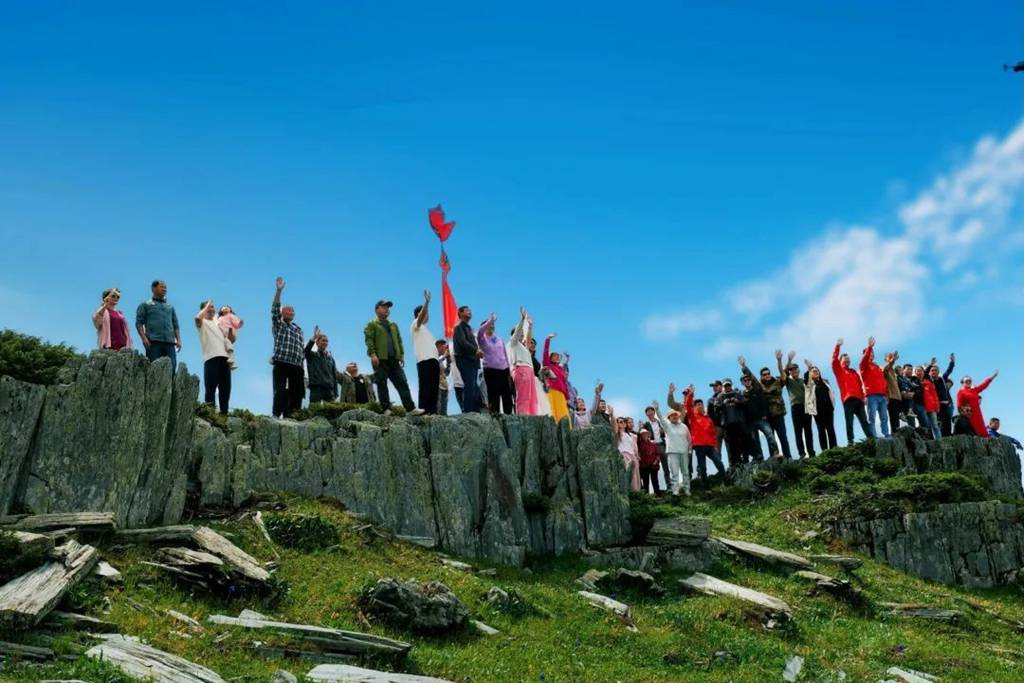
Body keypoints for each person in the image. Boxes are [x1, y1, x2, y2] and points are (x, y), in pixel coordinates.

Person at [364, 299, 422, 415]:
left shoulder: (393, 325)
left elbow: (399, 341)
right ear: (377, 309)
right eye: (384, 306)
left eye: (388, 307)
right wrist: (373, 354)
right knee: (382, 384)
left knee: (402, 383)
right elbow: (369, 340)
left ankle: (410, 408)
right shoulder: (372, 324)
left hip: (394, 359)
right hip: (380, 359)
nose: (387, 309)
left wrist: (401, 355)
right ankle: (386, 409)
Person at [271, 277, 305, 418]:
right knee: (280, 390)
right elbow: (274, 309)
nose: (292, 313)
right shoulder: (279, 324)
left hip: (297, 366)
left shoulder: (298, 329)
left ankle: (293, 415)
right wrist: (279, 291)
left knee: (296, 393)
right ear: (283, 312)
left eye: (293, 311)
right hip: (282, 363)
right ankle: (276, 414)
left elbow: (301, 350)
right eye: (289, 311)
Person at [681, 384, 726, 482]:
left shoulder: (708, 418)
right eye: (697, 405)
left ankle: (725, 480)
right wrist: (691, 394)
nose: (700, 406)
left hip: (710, 445)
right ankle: (705, 486)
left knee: (718, 461)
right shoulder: (692, 417)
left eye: (701, 404)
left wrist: (714, 444)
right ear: (695, 407)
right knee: (702, 466)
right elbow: (688, 405)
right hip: (699, 446)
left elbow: (713, 433)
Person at [832, 338, 873, 444]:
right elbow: (834, 359)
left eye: (848, 359)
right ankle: (850, 440)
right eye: (845, 359)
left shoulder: (854, 372)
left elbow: (860, 385)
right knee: (849, 421)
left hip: (859, 400)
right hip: (848, 399)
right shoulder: (839, 371)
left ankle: (871, 438)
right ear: (841, 361)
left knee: (864, 421)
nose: (847, 361)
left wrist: (863, 397)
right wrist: (838, 346)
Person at [194, 300, 232, 414]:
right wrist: (206, 306)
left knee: (226, 389)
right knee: (210, 389)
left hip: (225, 358)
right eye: (208, 308)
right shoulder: (202, 323)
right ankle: (210, 415)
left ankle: (224, 414)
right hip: (211, 359)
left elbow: (232, 339)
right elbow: (197, 318)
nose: (211, 309)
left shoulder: (218, 322)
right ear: (203, 310)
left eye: (213, 307)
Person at [136, 279, 181, 371]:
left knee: (171, 368)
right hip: (153, 343)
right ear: (153, 289)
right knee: (154, 369)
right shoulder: (145, 305)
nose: (164, 289)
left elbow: (175, 324)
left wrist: (178, 340)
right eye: (162, 287)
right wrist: (144, 338)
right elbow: (139, 323)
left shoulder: (170, 307)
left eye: (165, 288)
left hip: (170, 343)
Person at [739, 357, 779, 460]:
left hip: (762, 419)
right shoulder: (741, 395)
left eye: (748, 380)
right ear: (742, 383)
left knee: (770, 435)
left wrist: (744, 367)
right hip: (750, 422)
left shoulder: (757, 389)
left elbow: (753, 377)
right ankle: (760, 458)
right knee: (755, 441)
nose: (747, 381)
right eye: (745, 380)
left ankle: (775, 454)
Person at [777, 351, 813, 458]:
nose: (793, 371)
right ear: (790, 372)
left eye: (795, 369)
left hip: (806, 407)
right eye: (791, 370)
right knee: (798, 432)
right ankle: (802, 454)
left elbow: (811, 385)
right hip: (795, 407)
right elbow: (781, 372)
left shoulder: (803, 380)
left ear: (798, 370)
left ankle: (811, 453)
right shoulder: (788, 381)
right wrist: (782, 360)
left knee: (808, 431)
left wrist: (809, 368)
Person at [410, 291, 441, 415]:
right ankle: (423, 410)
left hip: (433, 361)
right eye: (425, 313)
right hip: (424, 360)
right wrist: (427, 302)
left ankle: (432, 412)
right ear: (420, 314)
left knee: (434, 388)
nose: (428, 315)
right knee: (426, 387)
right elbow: (420, 318)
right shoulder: (415, 325)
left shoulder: (427, 330)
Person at [478, 313, 513, 415]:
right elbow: (480, 331)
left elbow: (505, 354)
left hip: (503, 370)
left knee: (507, 395)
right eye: (489, 325)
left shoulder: (499, 339)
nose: (492, 326)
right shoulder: (482, 338)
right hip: (490, 370)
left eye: (493, 325)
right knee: (494, 395)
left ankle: (508, 416)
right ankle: (495, 416)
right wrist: (490, 321)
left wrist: (508, 370)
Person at [758, 358, 792, 459]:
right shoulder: (759, 387)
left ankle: (788, 457)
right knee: (771, 439)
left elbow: (784, 373)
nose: (767, 375)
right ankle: (774, 458)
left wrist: (780, 360)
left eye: (768, 373)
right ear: (761, 376)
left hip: (778, 414)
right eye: (764, 374)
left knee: (783, 437)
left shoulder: (777, 382)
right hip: (767, 417)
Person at [452, 306, 484, 413]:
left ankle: (475, 410)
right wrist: (476, 351)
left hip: (473, 361)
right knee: (469, 384)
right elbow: (462, 342)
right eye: (467, 310)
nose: (470, 312)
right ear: (460, 313)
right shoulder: (458, 327)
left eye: (470, 310)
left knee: (474, 385)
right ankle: (468, 411)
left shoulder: (470, 329)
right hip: (464, 359)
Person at [507, 308, 536, 416]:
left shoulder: (524, 346)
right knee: (522, 396)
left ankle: (529, 415)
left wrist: (530, 326)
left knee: (530, 396)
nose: (521, 333)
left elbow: (528, 338)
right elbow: (518, 332)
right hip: (520, 369)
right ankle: (522, 416)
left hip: (529, 371)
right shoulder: (513, 343)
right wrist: (522, 320)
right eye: (519, 332)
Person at [859, 337, 890, 438]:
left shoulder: (877, 367)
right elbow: (864, 359)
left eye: (872, 353)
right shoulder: (863, 366)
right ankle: (873, 436)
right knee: (872, 417)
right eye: (869, 353)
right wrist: (869, 347)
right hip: (871, 395)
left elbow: (883, 381)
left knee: (884, 417)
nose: (871, 354)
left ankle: (886, 434)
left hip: (882, 396)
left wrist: (886, 394)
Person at [304, 327, 343, 404]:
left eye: (327, 341)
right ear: (317, 343)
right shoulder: (312, 356)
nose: (325, 343)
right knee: (314, 411)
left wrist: (335, 392)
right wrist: (314, 338)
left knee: (331, 414)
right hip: (316, 389)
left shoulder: (331, 359)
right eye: (323, 341)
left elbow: (334, 376)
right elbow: (306, 351)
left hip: (329, 391)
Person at [804, 362, 838, 450]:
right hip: (817, 411)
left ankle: (834, 449)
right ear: (810, 374)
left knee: (830, 429)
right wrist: (809, 369)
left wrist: (832, 405)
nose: (815, 372)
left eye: (817, 371)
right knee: (821, 430)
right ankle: (825, 450)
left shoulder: (825, 381)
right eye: (813, 371)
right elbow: (806, 378)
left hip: (828, 409)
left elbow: (831, 392)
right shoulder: (809, 384)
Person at [956, 371, 998, 438]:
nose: (968, 382)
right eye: (966, 381)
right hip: (970, 414)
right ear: (962, 383)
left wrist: (992, 377)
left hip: (978, 413)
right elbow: (959, 406)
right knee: (973, 430)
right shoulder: (961, 392)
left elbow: (983, 385)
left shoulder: (974, 390)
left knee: (981, 429)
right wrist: (964, 415)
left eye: (970, 381)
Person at [662, 406, 693, 496]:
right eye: (672, 415)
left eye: (676, 414)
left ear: (678, 416)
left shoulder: (684, 426)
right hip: (673, 452)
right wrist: (657, 410)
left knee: (686, 472)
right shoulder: (667, 426)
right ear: (669, 417)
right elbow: (661, 420)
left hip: (684, 452)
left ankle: (687, 489)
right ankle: (675, 491)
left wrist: (690, 450)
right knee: (674, 473)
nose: (674, 416)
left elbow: (689, 439)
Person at [542, 333, 572, 427]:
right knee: (553, 412)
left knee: (564, 415)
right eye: (555, 355)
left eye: (558, 356)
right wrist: (548, 340)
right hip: (552, 391)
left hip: (562, 394)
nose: (557, 357)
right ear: (551, 357)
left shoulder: (561, 369)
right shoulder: (548, 365)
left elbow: (564, 383)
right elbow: (545, 353)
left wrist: (567, 397)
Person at [641, 403, 669, 489]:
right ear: (646, 414)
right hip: (652, 447)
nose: (650, 413)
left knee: (665, 466)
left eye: (651, 411)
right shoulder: (646, 424)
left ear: (654, 412)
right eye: (648, 412)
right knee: (653, 467)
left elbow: (664, 433)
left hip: (661, 445)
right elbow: (642, 435)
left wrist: (662, 431)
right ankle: (654, 490)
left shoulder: (659, 422)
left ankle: (669, 486)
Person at [612, 410, 641, 491]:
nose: (623, 423)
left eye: (624, 422)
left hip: (632, 457)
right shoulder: (617, 434)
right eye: (620, 422)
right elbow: (614, 427)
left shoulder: (629, 435)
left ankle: (636, 494)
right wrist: (612, 415)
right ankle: (630, 493)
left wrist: (636, 456)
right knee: (629, 476)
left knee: (636, 476)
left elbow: (634, 447)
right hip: (624, 456)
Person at [928, 353, 956, 436]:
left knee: (947, 420)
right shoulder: (929, 381)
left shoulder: (942, 379)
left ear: (938, 372)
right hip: (936, 405)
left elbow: (949, 371)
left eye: (935, 370)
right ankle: (939, 436)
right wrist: (930, 365)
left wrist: (952, 362)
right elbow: (925, 373)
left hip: (946, 404)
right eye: (932, 370)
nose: (934, 372)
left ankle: (948, 436)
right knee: (937, 422)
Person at [914, 364, 941, 439]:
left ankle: (938, 440)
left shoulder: (928, 382)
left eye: (921, 371)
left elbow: (935, 395)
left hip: (931, 407)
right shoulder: (913, 382)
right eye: (917, 371)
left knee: (935, 425)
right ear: (915, 373)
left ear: (923, 372)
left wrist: (937, 406)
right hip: (920, 406)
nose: (919, 373)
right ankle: (927, 440)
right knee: (924, 424)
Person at [883, 351, 904, 432]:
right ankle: (895, 435)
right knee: (894, 419)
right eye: (889, 356)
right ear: (886, 359)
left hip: (898, 398)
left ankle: (898, 435)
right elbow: (887, 367)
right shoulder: (885, 369)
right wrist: (892, 360)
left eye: (892, 356)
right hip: (892, 398)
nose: (891, 358)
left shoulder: (893, 372)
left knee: (898, 420)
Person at [636, 429, 662, 495]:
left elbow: (658, 454)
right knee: (645, 481)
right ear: (641, 436)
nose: (645, 435)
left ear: (648, 435)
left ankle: (658, 494)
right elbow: (638, 454)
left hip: (653, 465)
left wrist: (655, 461)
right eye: (643, 434)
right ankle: (646, 496)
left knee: (655, 480)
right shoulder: (639, 445)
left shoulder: (653, 444)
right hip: (644, 466)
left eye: (646, 434)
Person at [436, 340, 452, 415]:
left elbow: (447, 373)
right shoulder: (433, 358)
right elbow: (434, 366)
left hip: (444, 388)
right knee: (437, 411)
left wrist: (448, 361)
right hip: (437, 388)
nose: (444, 348)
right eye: (443, 346)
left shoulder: (441, 361)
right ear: (438, 347)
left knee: (444, 413)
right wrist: (444, 356)